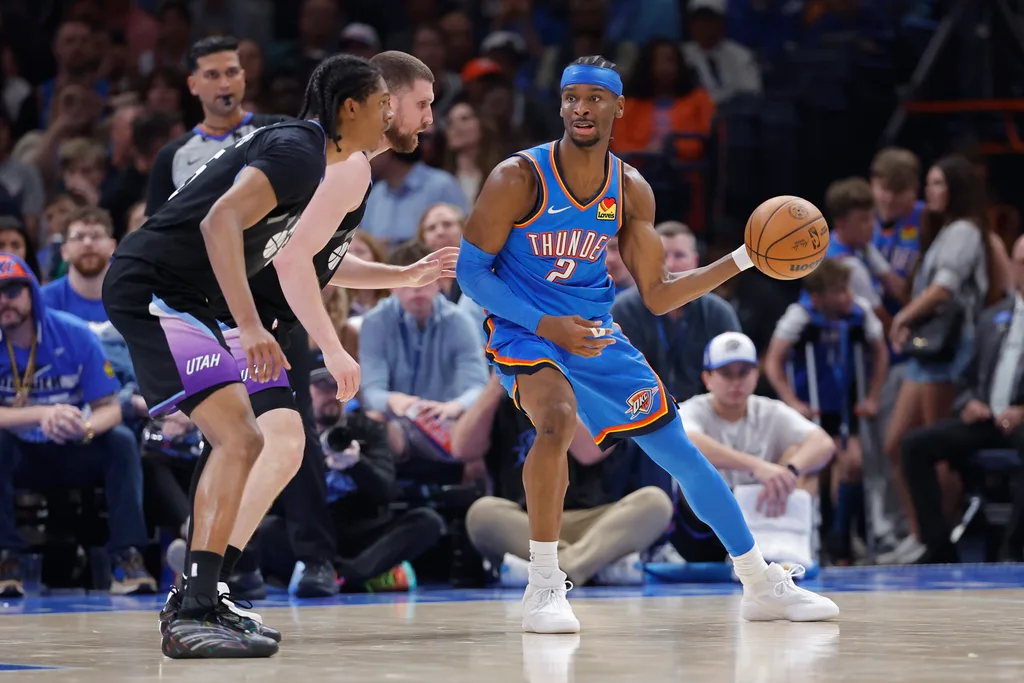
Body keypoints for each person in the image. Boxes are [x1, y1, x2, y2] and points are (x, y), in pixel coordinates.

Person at [455, 55, 839, 634]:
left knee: (681, 452)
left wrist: (743, 258)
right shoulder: (518, 178)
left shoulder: (630, 189)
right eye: (572, 98)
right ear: (561, 105)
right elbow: (471, 274)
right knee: (555, 420)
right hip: (523, 328)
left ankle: (759, 582)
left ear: (617, 108)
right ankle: (542, 586)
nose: (581, 109)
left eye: (594, 99)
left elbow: (657, 295)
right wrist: (542, 324)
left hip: (594, 333)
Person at [102, 54, 393, 659]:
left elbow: (300, 262)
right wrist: (254, 327)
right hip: (154, 287)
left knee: (245, 440)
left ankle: (201, 599)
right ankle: (191, 609)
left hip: (184, 295)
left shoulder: (313, 162)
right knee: (241, 439)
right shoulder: (298, 151)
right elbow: (219, 222)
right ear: (350, 108)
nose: (390, 116)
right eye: (384, 104)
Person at [159, 50, 447, 629]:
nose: (430, 119)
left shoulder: (350, 164)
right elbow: (292, 263)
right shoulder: (346, 166)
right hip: (231, 311)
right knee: (269, 446)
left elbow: (313, 259)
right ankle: (201, 583)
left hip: (257, 314)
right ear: (383, 104)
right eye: (421, 105)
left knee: (278, 448)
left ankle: (204, 582)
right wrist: (335, 347)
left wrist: (398, 276)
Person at [145, 37, 290, 217]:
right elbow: (157, 235)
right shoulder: (171, 157)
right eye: (212, 75)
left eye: (231, 73)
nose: (224, 84)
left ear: (243, 77)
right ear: (193, 85)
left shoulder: (281, 130)